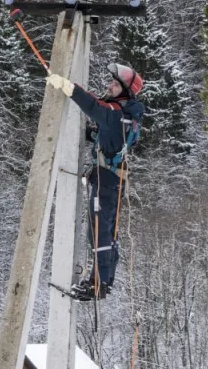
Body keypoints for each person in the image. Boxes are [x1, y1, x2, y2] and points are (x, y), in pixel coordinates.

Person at [46, 63, 145, 301]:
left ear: (124, 90)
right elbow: (105, 133)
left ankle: (98, 283)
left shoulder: (115, 115)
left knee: (100, 232)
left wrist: (69, 87)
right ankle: (104, 281)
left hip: (107, 182)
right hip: (110, 179)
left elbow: (92, 105)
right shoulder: (124, 116)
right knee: (106, 233)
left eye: (114, 83)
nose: (109, 86)